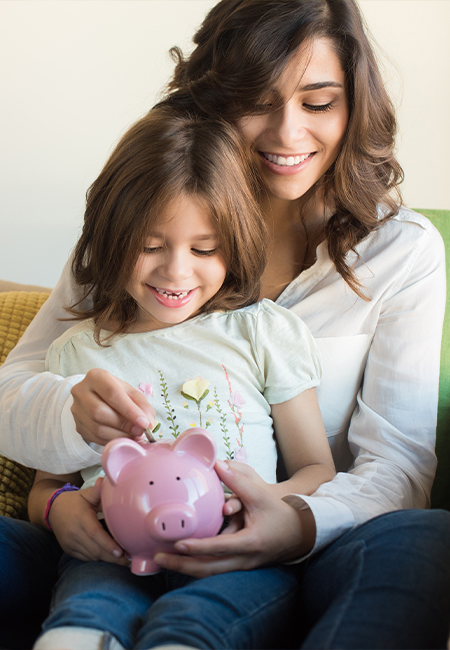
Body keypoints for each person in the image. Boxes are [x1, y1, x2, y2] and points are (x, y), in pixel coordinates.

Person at [0, 0, 449, 648]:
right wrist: (61, 473)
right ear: (210, 98)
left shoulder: (400, 250)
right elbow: (18, 387)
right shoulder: (135, 231)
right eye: (259, 100)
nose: (289, 132)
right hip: (111, 551)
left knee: (425, 540)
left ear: (355, 108)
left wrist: (293, 522)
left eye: (318, 102)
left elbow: (397, 466)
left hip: (305, 549)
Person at [26, 105, 334, 650]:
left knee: (197, 623)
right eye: (149, 245)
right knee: (85, 611)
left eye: (204, 249)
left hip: (237, 555)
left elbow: (316, 467)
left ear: (234, 243)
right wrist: (60, 509)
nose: (176, 270)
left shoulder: (260, 331)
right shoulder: (77, 352)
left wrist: (269, 504)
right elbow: (48, 486)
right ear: (110, 235)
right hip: (113, 556)